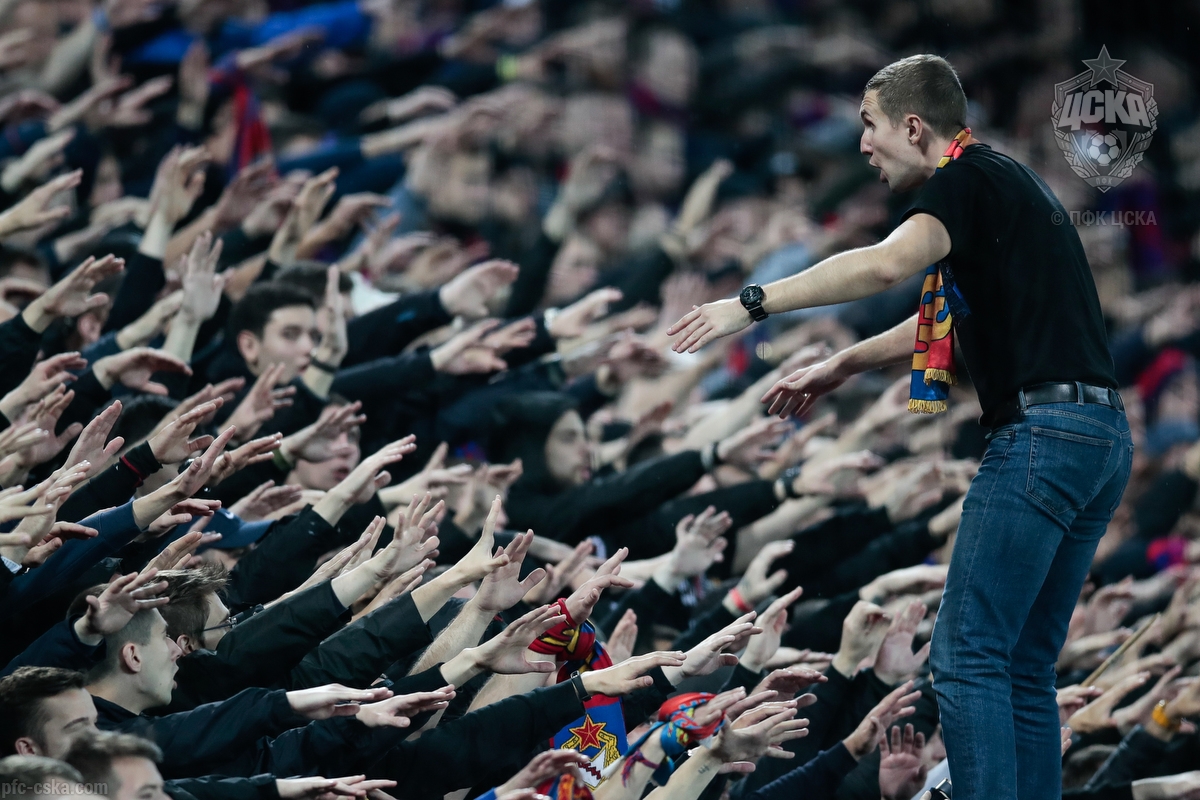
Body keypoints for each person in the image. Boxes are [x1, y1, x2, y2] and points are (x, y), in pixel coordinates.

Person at [668, 54, 1132, 800]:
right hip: (1097, 438)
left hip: (1042, 434)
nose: (862, 145)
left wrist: (750, 303)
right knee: (1021, 665)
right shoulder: (1003, 182)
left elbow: (886, 266)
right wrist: (841, 364)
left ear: (914, 127)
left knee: (967, 656)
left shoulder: (964, 179)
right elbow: (942, 320)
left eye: (870, 124)